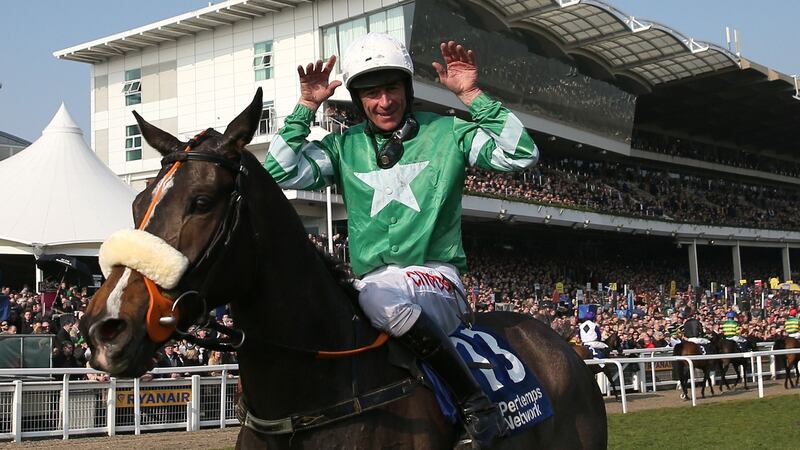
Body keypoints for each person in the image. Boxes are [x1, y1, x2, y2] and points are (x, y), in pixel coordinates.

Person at [265, 33, 538, 448]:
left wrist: (472, 95)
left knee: (376, 296)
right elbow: (277, 172)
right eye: (371, 94)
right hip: (371, 284)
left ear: (407, 89)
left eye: (391, 88)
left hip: (437, 278)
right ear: (358, 101)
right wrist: (306, 107)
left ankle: (475, 404)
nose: (384, 102)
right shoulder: (342, 147)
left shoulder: (450, 133)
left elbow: (522, 153)